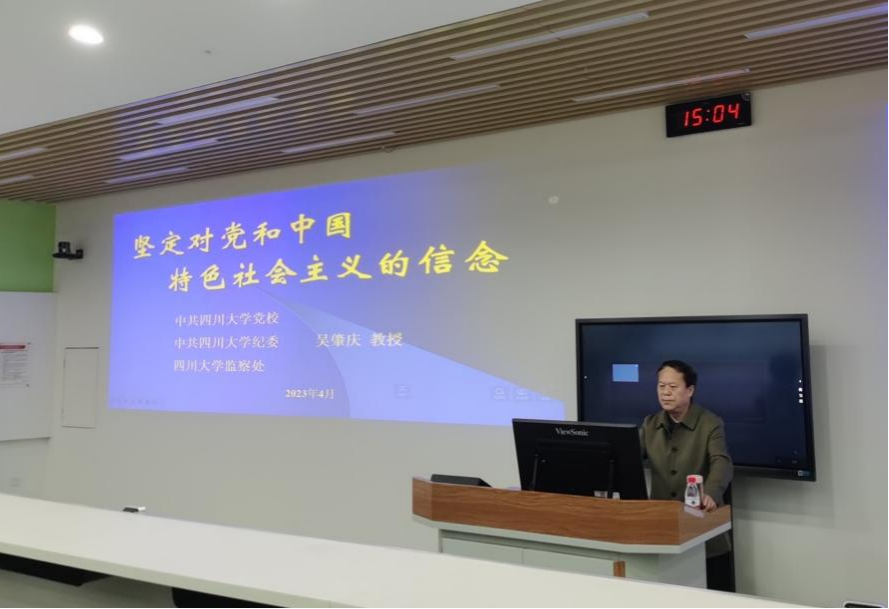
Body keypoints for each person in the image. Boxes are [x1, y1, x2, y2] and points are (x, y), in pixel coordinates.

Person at [640, 359, 734, 591]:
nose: (665, 393)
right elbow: (627, 458)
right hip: (662, 530)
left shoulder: (710, 423)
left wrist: (711, 493)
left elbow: (721, 461)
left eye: (673, 387)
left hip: (702, 529)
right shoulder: (650, 424)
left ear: (690, 390)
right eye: (661, 386)